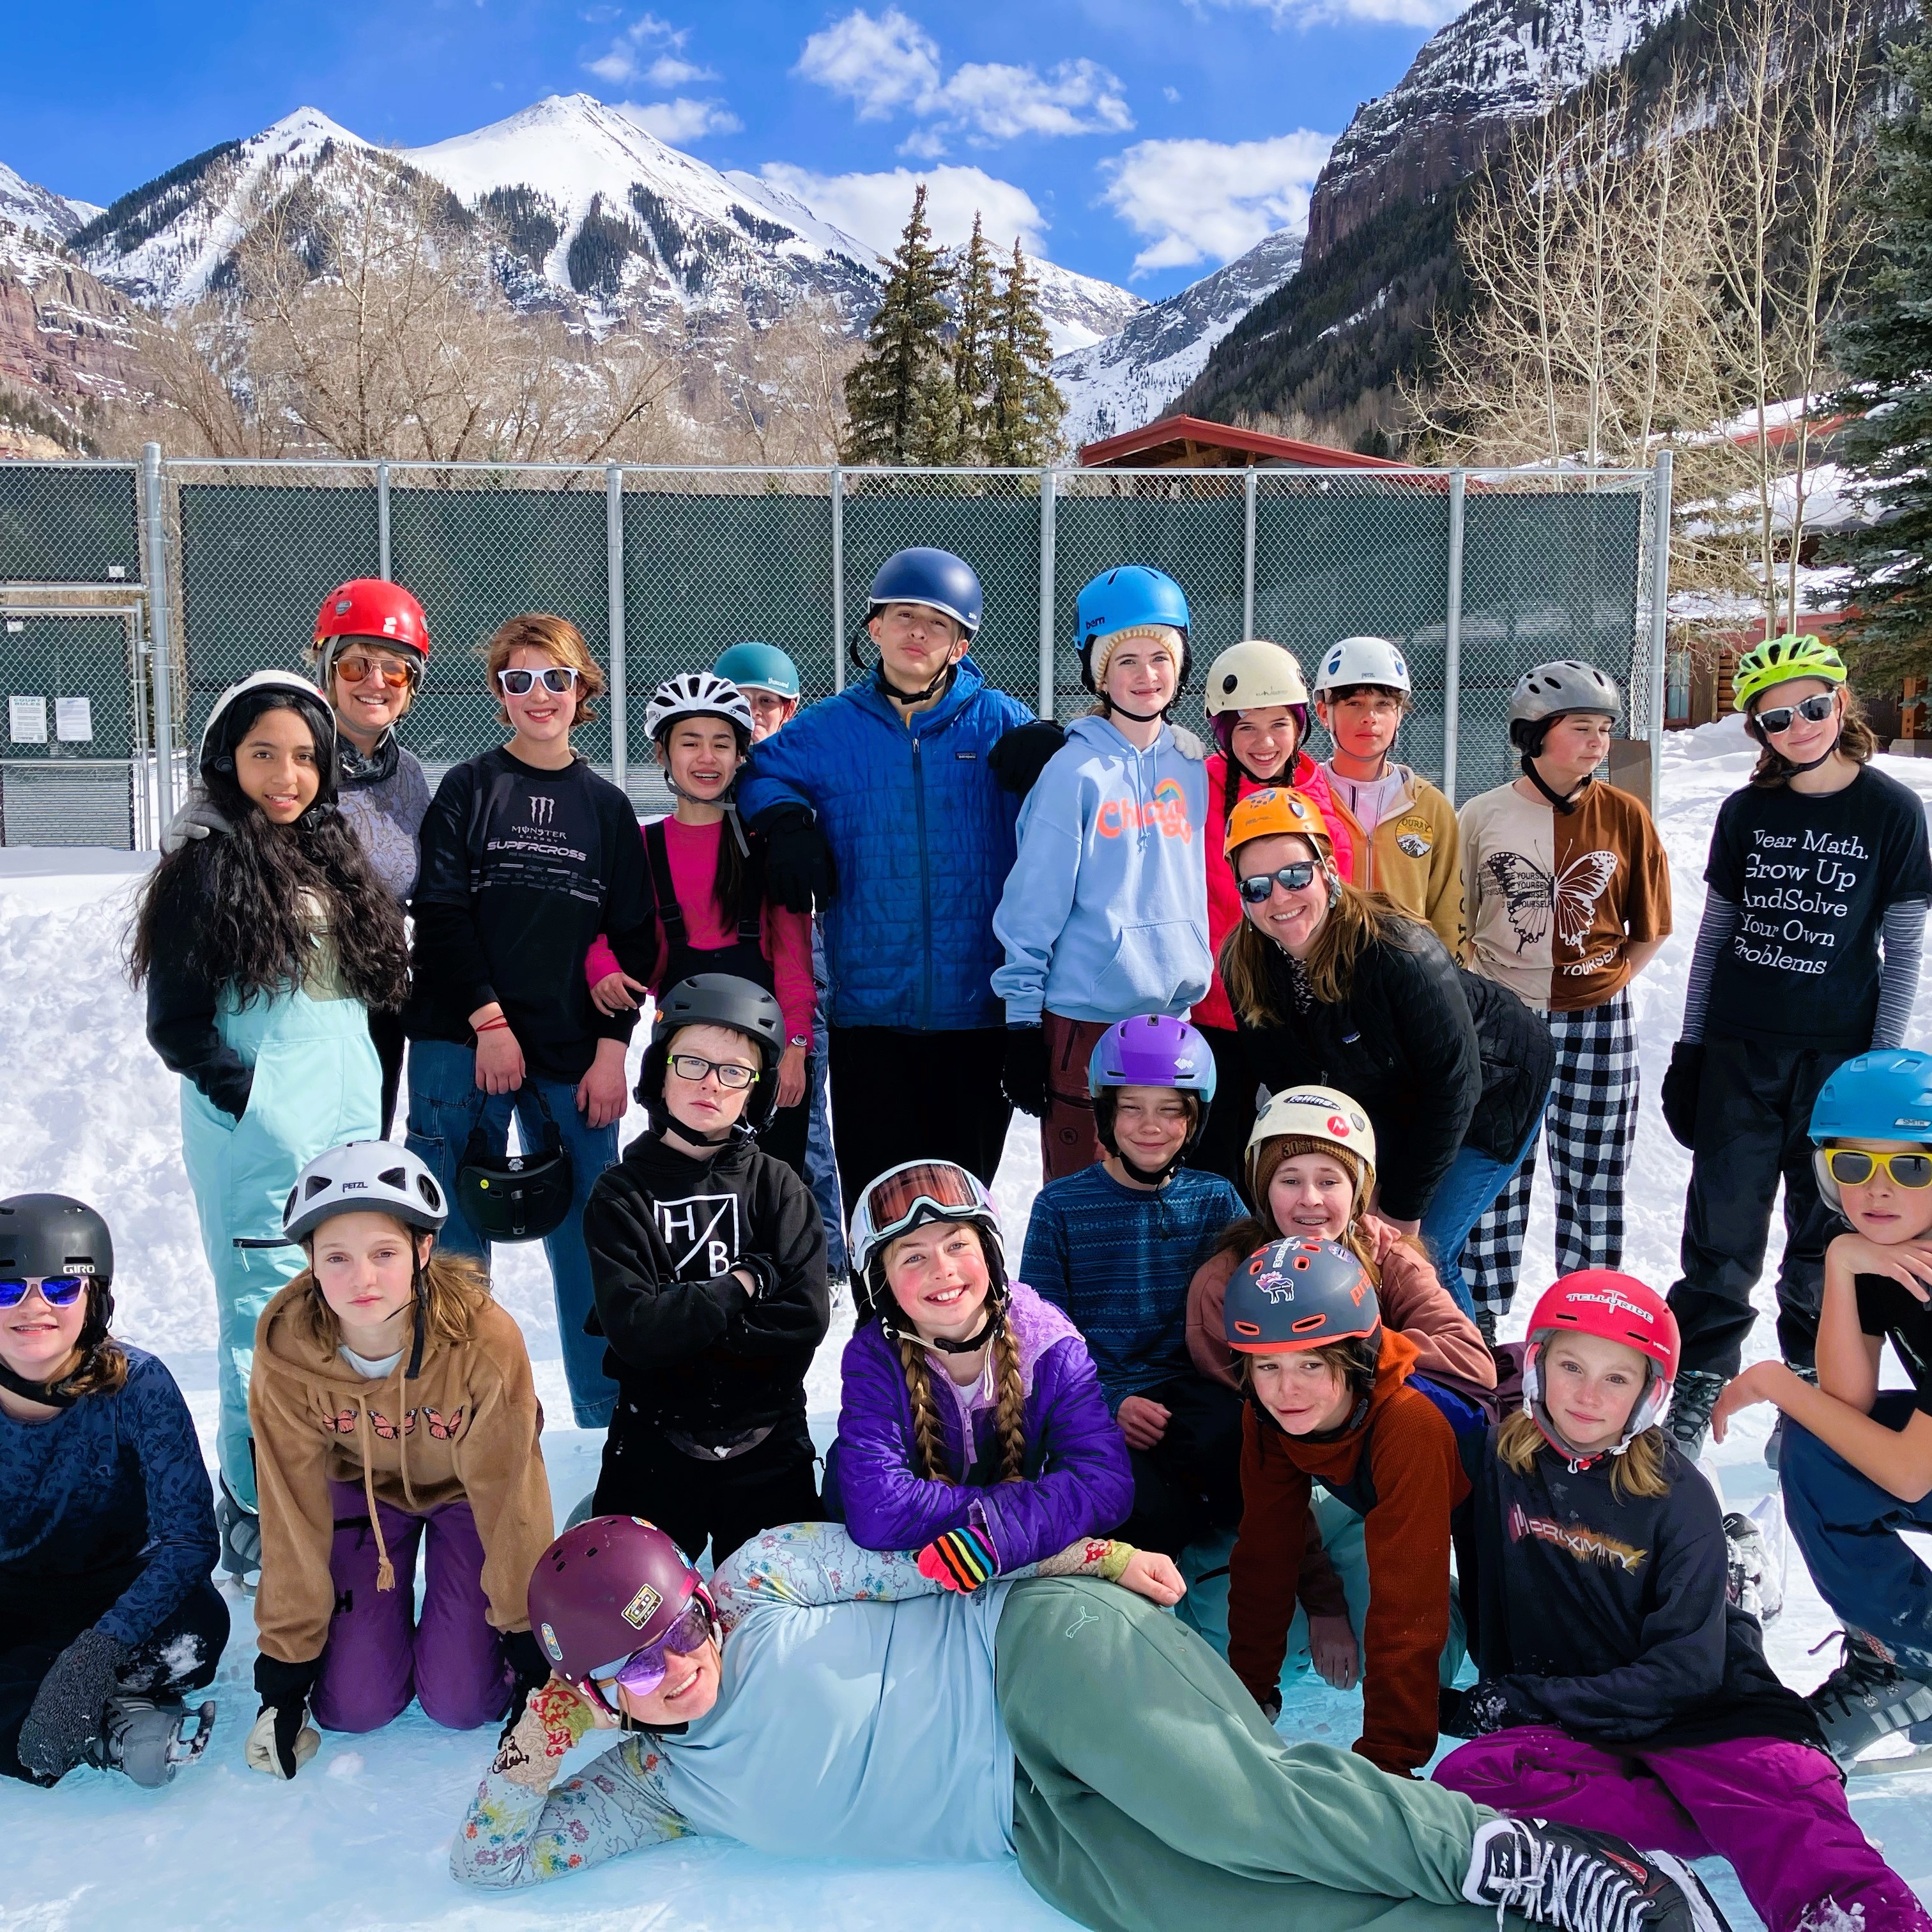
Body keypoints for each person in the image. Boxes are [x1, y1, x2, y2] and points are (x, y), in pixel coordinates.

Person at [452, 1515, 1726, 1932]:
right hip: (1028, 1827)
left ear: (697, 1595)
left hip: (1037, 1657)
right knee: (1240, 1911)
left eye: (679, 1628)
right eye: (631, 1673)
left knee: (1228, 1806)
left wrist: (1099, 1558)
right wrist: (533, 1748)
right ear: (587, 1695)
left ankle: (1518, 1857)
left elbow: (946, 1560)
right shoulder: (658, 1789)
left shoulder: (767, 1579)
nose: (677, 1668)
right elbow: (489, 1860)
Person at [1437, 1271, 1927, 1932]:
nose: (1587, 1395)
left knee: (1794, 1816)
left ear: (1650, 1393)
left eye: (1617, 1379)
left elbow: (1686, 1675)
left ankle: (1740, 1603)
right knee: (1472, 1781)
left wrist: (1520, 1699)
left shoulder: (1678, 1494)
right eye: (1571, 1366)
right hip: (1584, 1728)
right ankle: (1681, 1846)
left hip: (1709, 1716)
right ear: (1537, 1368)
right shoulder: (1498, 1461)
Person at [130, 668, 408, 1585]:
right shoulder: (206, 863)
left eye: (303, 757)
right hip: (257, 1139)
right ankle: (253, 1507)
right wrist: (250, 1100)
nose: (285, 775)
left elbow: (370, 1004)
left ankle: (328, 1484)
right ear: (226, 759)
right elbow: (177, 1021)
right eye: (263, 756)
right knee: (263, 1320)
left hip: (345, 1136)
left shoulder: (334, 857)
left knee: (345, 1314)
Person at [1661, 635, 1931, 1457]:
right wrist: (1693, 1047)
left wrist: (1875, 1072)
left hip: (1837, 1069)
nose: (1799, 726)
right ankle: (1701, 1381)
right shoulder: (1747, 813)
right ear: (1760, 732)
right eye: (1777, 718)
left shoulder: (1891, 811)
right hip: (1742, 1059)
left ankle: (1814, 1393)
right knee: (1722, 1235)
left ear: (1841, 705)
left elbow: (1905, 945)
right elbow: (1716, 940)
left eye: (1813, 706)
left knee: (1824, 1239)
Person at [402, 613, 657, 1430]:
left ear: (584, 689)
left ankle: (605, 1411)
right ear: (498, 694)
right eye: (518, 680)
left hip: (571, 1055)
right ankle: (460, 1410)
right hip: (460, 1041)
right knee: (450, 1238)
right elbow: (439, 912)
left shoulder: (608, 809)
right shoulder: (469, 791)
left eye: (555, 678)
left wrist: (613, 1052)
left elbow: (636, 939)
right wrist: (487, 1021)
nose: (538, 695)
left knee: (590, 1233)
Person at [244, 1143, 553, 1779]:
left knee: (463, 1703)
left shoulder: (482, 1340)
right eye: (337, 1258)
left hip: (467, 1495)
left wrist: (530, 1647)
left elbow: (510, 1493)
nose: (362, 1279)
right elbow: (290, 1509)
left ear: (422, 1250)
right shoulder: (288, 1349)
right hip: (361, 1495)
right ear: (309, 1263)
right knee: (353, 1708)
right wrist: (282, 1680)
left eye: (384, 1253)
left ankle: (488, 1625)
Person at [737, 548, 1032, 1206]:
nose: (918, 632)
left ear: (961, 644)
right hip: (871, 1016)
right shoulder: (830, 727)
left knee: (961, 1207)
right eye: (904, 616)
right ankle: (878, 1315)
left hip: (975, 1015)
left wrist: (1058, 750)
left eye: (937, 622)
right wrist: (786, 821)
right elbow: (759, 772)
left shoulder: (1000, 724)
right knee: (879, 1205)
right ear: (874, 629)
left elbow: (1072, 783)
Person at [1188, 1087, 1498, 1692]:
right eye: (1289, 1179)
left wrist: (1349, 1343)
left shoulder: (1384, 1255)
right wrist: (1322, 1600)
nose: (1310, 1201)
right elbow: (1261, 1453)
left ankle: (1442, 1591)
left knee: (1421, 1666)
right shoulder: (1226, 1284)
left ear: (1357, 1189)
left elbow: (1471, 1364)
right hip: (1271, 1501)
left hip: (1363, 1495)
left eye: (1329, 1180)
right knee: (1240, 1646)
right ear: (1260, 1186)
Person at [1220, 786, 1552, 1321]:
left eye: (1295, 876)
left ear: (1327, 868)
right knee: (1358, 1239)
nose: (1279, 899)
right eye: (1257, 888)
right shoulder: (1245, 962)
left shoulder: (1399, 951)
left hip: (1490, 1087)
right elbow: (1294, 1090)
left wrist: (1400, 1210)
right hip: (1385, 1097)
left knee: (1417, 1253)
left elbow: (1454, 1086)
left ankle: (1464, 1378)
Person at [1711, 1050, 1932, 1768]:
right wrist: (1841, 1262)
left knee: (1821, 1441)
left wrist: (1778, 1383)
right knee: (1820, 1451)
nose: (1878, 1188)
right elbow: (1848, 1407)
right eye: (1853, 1164)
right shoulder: (1884, 1249)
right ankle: (1902, 1660)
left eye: (1910, 1167)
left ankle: (1914, 1665)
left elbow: (1903, 1474)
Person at [583, 975, 829, 1566]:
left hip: (769, 1444)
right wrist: (743, 1284)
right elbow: (637, 1331)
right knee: (627, 1621)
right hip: (650, 1443)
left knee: (786, 1633)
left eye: (734, 1071)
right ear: (660, 1069)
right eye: (692, 1062)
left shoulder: (780, 1188)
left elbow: (803, 1321)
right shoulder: (620, 1195)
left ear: (757, 1090)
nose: (711, 1084)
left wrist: (679, 1331)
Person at [1458, 662, 1672, 1334]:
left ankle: (1587, 1321)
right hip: (1504, 1021)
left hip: (1597, 1022)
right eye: (1582, 729)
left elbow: (1651, 927)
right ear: (1536, 734)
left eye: (1605, 730)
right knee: (1498, 1178)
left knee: (1594, 1177)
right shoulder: (1483, 815)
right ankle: (1482, 1324)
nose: (1598, 744)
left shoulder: (1625, 817)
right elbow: (1454, 920)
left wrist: (1603, 988)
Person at [1, 1195, 226, 1790]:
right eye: (6, 1291)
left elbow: (188, 1542)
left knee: (198, 1625)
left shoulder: (138, 1383)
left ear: (94, 1298)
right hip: (10, 1597)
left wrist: (96, 1653)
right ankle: (109, 1726)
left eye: (58, 1290)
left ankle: (74, 1690)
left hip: (121, 1594)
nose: (32, 1309)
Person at [993, 566, 1211, 1179]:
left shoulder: (1195, 767)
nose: (1147, 676)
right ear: (1099, 672)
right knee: (1081, 1197)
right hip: (1083, 1016)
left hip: (1172, 1017)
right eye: (1127, 660)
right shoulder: (1073, 772)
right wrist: (1022, 1022)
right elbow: (1032, 903)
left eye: (1161, 657)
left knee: (1162, 1193)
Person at [1223, 1237, 1469, 1777]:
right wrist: (1248, 1698)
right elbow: (1266, 1550)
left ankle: (1466, 1614)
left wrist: (1389, 1760)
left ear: (1354, 1357)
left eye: (1311, 1365)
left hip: (1489, 1530)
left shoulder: (1410, 1423)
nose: (1286, 1390)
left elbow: (1407, 1605)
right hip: (1375, 1503)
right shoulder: (1267, 1415)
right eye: (1266, 1367)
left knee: (1433, 1648)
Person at [826, 1158, 1131, 1580]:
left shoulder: (1051, 1349)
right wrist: (1009, 1515)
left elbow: (1104, 1481)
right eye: (913, 1257)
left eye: (957, 1245)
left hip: (996, 1550)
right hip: (897, 1564)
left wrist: (998, 1536)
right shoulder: (875, 1358)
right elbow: (875, 1508)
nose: (942, 1269)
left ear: (989, 1254)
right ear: (884, 1286)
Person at [1020, 1015, 1245, 1556]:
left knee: (1240, 1449)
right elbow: (1037, 1338)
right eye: (1132, 1108)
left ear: (1195, 1120)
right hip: (1097, 1399)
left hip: (1190, 1395)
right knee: (1145, 1519)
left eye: (1171, 1110)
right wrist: (1109, 1401)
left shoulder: (1215, 1199)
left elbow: (1259, 1287)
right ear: (1105, 1113)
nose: (1152, 1126)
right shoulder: (1060, 1207)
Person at [584, 673, 813, 1179]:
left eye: (721, 744)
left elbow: (797, 960)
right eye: (690, 743)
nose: (706, 758)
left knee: (773, 1193)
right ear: (663, 755)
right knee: (682, 1190)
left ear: (740, 756)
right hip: (683, 1058)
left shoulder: (766, 846)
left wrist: (798, 1047)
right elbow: (612, 934)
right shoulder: (645, 846)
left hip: (766, 1056)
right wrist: (601, 963)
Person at [1190, 639, 1361, 1186]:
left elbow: (1336, 899)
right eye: (1246, 728)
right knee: (1217, 1158)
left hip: (1297, 1012)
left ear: (1301, 725)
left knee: (1294, 1157)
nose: (1264, 744)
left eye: (1278, 725)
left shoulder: (1317, 797)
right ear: (1223, 734)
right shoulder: (1199, 788)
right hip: (1218, 1010)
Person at [713, 641, 848, 1276]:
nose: (756, 714)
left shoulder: (799, 775)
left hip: (800, 962)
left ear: (791, 711)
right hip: (729, 968)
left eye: (769, 703)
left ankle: (822, 1250)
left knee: (804, 1116)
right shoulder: (709, 775)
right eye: (744, 702)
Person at [309, 578, 434, 1137]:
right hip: (298, 1004)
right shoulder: (291, 754)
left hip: (378, 1002)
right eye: (357, 665)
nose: (375, 682)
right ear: (328, 670)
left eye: (395, 669)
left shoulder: (407, 774)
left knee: (359, 1169)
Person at [1311, 634, 1465, 955]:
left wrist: (1449, 986)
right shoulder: (1303, 800)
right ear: (1325, 713)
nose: (1370, 717)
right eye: (1353, 704)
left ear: (1400, 715)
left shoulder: (1429, 805)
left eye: (1384, 704)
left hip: (1410, 983)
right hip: (1323, 979)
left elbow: (1451, 909)